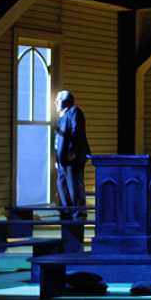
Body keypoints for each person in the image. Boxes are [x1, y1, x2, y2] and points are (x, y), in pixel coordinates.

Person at [54, 90, 91, 219]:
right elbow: (59, 139)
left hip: (72, 158)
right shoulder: (62, 116)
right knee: (62, 185)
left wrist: (73, 152)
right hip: (62, 159)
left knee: (74, 186)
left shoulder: (74, 112)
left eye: (58, 100)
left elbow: (77, 133)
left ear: (65, 101)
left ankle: (78, 215)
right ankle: (66, 214)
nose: (55, 102)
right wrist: (57, 159)